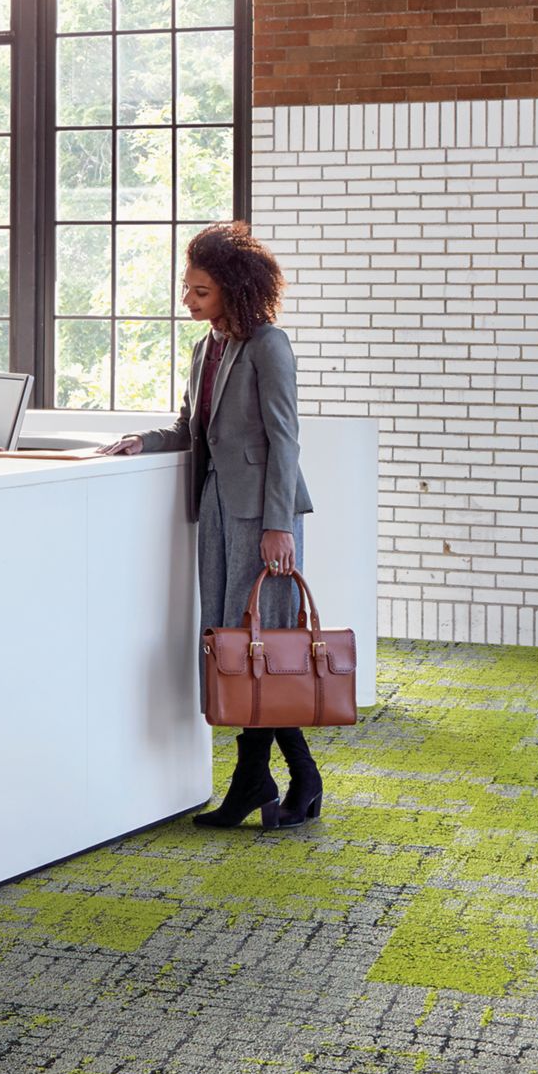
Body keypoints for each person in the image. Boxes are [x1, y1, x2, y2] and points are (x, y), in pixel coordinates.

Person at [115, 223, 321, 830]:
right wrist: (142, 442)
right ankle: (278, 777)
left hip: (264, 516)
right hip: (216, 509)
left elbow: (286, 439)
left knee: (261, 643)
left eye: (200, 291)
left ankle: (265, 780)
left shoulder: (269, 345)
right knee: (232, 642)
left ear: (232, 288)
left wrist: (279, 525)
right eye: (187, 289)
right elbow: (189, 428)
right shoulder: (206, 350)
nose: (188, 301)